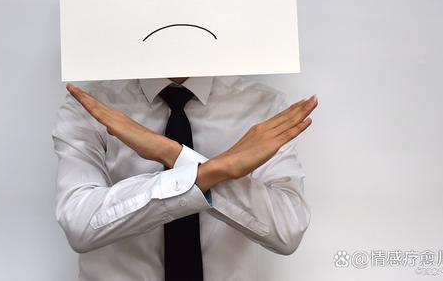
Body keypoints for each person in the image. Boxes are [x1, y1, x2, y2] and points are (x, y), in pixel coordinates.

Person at [51, 75, 318, 281]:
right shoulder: (92, 106)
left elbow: (287, 231)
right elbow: (80, 225)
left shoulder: (262, 105)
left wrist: (170, 153)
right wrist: (214, 171)